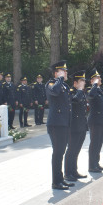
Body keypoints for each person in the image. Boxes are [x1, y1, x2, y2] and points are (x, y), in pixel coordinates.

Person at [46, 60, 74, 190]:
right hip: (56, 124)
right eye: (63, 71)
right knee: (57, 153)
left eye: (66, 71)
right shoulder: (51, 84)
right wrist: (60, 79)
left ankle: (60, 179)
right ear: (56, 73)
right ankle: (56, 182)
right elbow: (55, 92)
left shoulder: (64, 86)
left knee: (61, 152)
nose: (66, 73)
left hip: (64, 123)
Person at [64, 70, 88, 181]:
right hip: (73, 127)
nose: (83, 83)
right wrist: (79, 90)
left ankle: (74, 171)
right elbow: (75, 101)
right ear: (75, 83)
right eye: (81, 81)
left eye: (84, 80)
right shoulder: (72, 91)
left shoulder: (81, 92)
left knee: (77, 150)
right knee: (71, 150)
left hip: (82, 126)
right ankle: (68, 173)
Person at [87, 68, 103, 172]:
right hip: (94, 120)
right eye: (96, 78)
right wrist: (94, 84)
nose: (99, 79)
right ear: (91, 81)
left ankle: (96, 163)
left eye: (99, 77)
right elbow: (91, 96)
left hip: (101, 120)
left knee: (99, 143)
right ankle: (91, 165)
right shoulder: (90, 89)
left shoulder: (100, 90)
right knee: (94, 143)